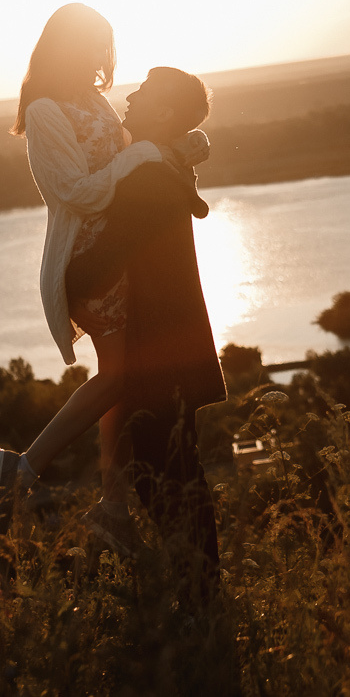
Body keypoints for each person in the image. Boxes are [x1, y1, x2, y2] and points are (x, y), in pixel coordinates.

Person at [0, 5, 207, 534]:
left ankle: (111, 505)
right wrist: (151, 153)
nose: (99, 59)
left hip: (119, 252)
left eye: (102, 48)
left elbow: (135, 153)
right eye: (90, 46)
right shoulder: (43, 111)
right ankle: (20, 469)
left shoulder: (93, 101)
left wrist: (185, 145)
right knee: (119, 375)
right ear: (63, 47)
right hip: (88, 258)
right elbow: (76, 192)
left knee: (122, 377)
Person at [65, 65, 228, 592]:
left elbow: (109, 256)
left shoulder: (149, 178)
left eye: (144, 95)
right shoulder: (163, 167)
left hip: (161, 350)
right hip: (173, 348)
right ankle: (200, 591)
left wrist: (62, 284)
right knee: (175, 469)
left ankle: (199, 593)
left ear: (163, 112)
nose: (130, 99)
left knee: (167, 474)